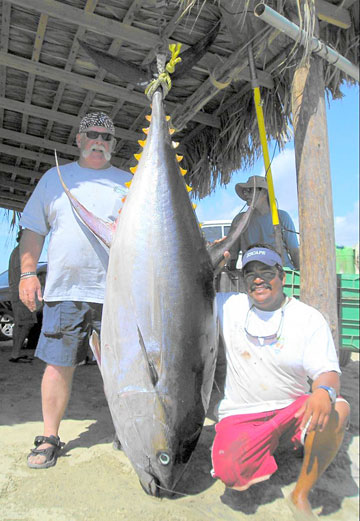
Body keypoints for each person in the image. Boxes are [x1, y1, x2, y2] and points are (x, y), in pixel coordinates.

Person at [19, 111, 131, 469]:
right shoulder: (55, 178)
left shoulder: (130, 182)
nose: (99, 141)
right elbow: (34, 229)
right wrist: (26, 274)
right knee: (58, 364)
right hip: (65, 290)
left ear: (113, 145)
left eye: (106, 136)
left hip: (118, 294)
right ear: (79, 140)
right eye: (92, 135)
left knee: (123, 368)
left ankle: (130, 431)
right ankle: (50, 436)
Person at [212, 244, 350, 520]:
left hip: (291, 411)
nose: (258, 279)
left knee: (337, 409)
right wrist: (209, 264)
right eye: (250, 274)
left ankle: (300, 494)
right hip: (241, 414)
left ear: (282, 276)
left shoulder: (308, 318)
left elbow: (329, 373)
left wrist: (323, 390)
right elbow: (188, 293)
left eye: (266, 271)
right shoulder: (227, 305)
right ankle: (280, 446)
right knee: (230, 470)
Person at [227, 176, 300, 270]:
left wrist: (301, 275)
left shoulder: (281, 217)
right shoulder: (239, 220)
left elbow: (294, 251)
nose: (246, 193)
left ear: (264, 192)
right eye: (245, 191)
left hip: (282, 274)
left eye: (250, 190)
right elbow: (232, 254)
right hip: (253, 276)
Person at [8, 228, 38, 363]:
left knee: (20, 323)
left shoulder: (17, 251)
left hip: (16, 291)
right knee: (26, 323)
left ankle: (16, 352)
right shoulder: (23, 252)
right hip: (22, 293)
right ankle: (16, 353)